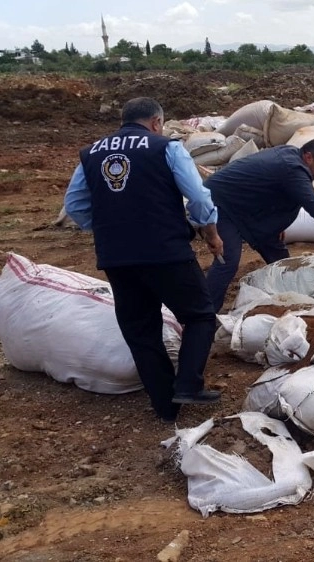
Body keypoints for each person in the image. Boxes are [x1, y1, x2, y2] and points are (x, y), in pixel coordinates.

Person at [64, 97, 225, 423]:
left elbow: (75, 205)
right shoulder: (165, 147)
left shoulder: (90, 153)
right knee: (200, 316)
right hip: (166, 252)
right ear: (156, 122)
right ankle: (188, 384)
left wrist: (113, 228)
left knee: (141, 330)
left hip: (117, 256)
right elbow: (197, 196)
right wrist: (210, 233)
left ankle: (166, 408)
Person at [204, 139, 314, 313]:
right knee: (227, 261)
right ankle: (204, 312)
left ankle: (290, 300)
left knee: (281, 259)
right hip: (221, 204)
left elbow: (274, 192)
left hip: (246, 209)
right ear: (308, 157)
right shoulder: (293, 169)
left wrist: (276, 223)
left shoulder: (291, 156)